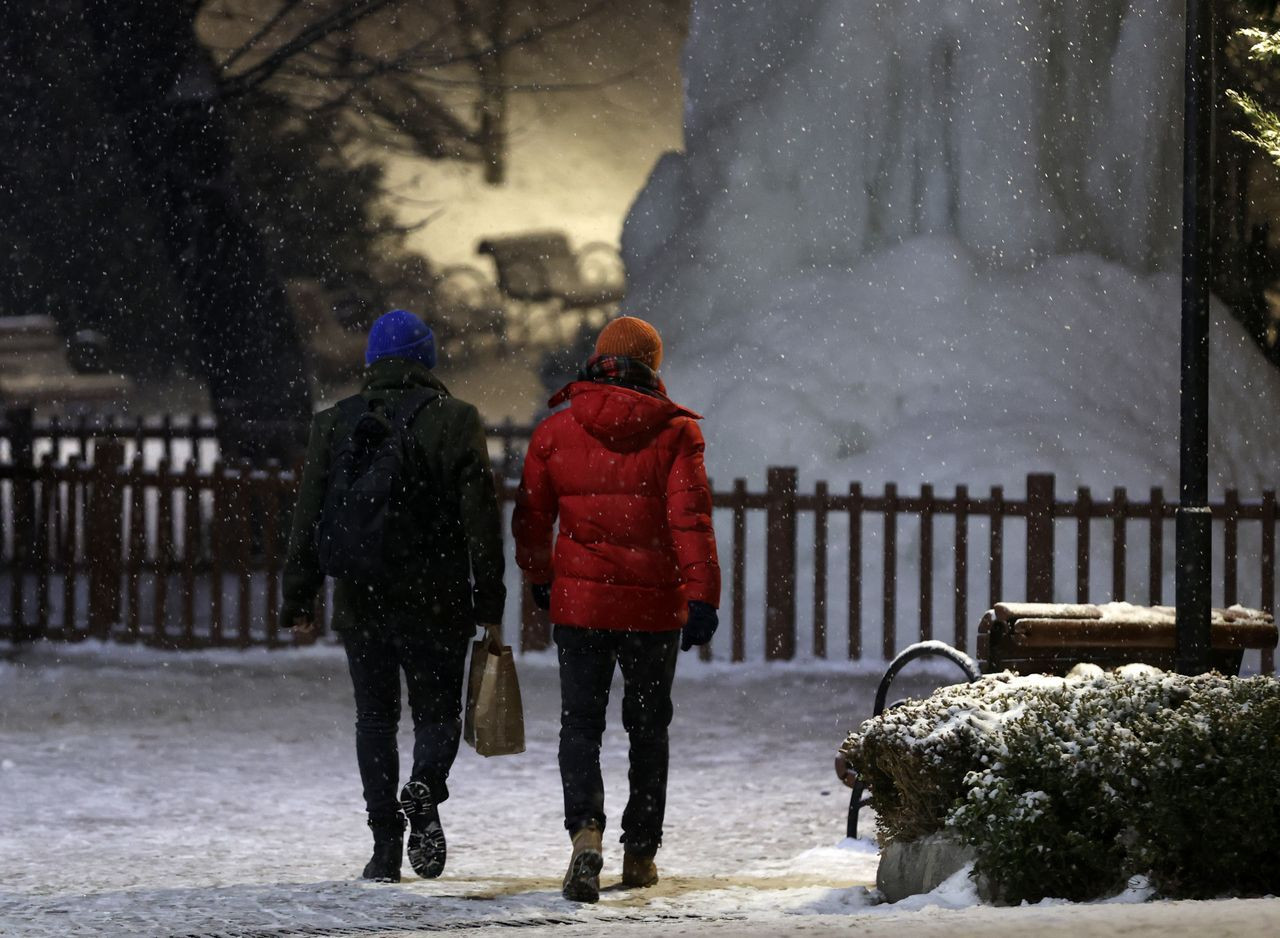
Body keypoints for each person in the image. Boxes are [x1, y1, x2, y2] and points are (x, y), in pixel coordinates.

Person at [282, 309, 506, 883]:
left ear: (372, 362)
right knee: (437, 712)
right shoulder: (456, 420)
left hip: (362, 596)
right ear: (427, 359)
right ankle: (425, 786)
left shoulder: (335, 423)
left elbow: (308, 517)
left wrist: (299, 597)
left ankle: (384, 847)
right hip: (438, 597)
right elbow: (479, 516)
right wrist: (490, 597)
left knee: (375, 719)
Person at [512, 315, 721, 903]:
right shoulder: (675, 433)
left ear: (598, 360)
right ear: (652, 366)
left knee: (580, 726)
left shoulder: (556, 430)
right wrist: (701, 595)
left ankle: (585, 836)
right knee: (648, 730)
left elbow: (531, 515)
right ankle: (639, 854)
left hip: (580, 608)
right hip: (653, 610)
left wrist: (540, 575)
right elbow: (690, 521)